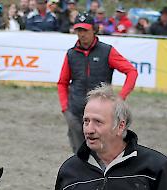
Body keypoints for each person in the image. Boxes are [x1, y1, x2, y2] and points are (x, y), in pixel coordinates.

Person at [57, 13, 138, 153]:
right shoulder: (71, 54)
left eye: (85, 30)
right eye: (79, 30)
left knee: (102, 152)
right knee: (79, 153)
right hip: (75, 112)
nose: (82, 34)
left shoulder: (107, 51)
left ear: (94, 29)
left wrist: (121, 97)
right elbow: (62, 83)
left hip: (101, 113)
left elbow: (131, 72)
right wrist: (65, 108)